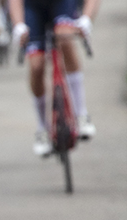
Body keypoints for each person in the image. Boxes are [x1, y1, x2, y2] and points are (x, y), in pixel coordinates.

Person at [9, 0, 98, 156]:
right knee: (36, 66)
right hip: (33, 7)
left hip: (62, 3)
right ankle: (42, 129)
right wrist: (18, 24)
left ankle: (82, 114)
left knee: (64, 38)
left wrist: (87, 18)